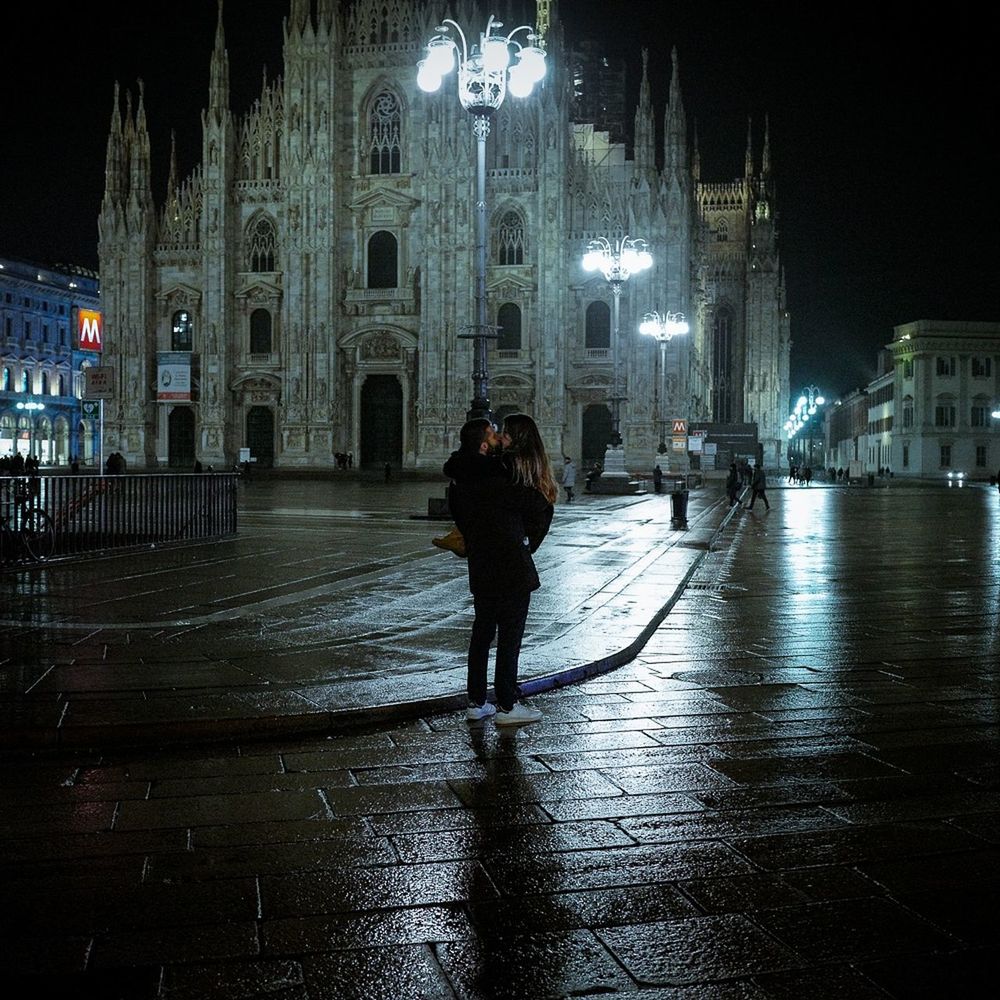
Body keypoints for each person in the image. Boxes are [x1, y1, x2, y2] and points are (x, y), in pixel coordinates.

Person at [447, 414, 556, 726]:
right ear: (484, 444)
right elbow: (538, 503)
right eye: (494, 433)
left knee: (481, 635)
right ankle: (507, 706)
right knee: (510, 637)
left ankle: (476, 701)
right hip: (510, 565)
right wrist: (526, 539)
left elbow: (461, 516)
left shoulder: (461, 480)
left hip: (481, 565)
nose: (498, 436)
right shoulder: (500, 477)